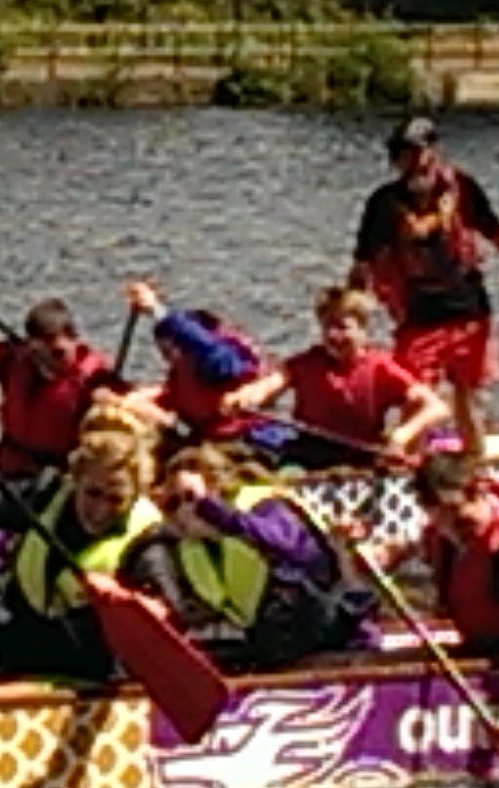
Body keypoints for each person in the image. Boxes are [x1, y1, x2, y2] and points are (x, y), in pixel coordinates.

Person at [349, 117, 499, 455]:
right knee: (416, 397)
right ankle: (409, 465)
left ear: (432, 152)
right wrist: (352, 317)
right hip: (418, 315)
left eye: (417, 152)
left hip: (468, 310)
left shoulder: (462, 189)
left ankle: (474, 462)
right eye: (402, 154)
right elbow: (363, 264)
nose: (411, 162)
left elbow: (497, 235)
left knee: (467, 395)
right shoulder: (384, 203)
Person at [0, 422, 167, 687]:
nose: (101, 510)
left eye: (116, 499)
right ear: (75, 479)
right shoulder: (46, 493)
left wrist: (121, 599)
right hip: (20, 647)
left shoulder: (150, 539)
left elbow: (167, 613)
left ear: (135, 496)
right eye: (92, 493)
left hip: (92, 677)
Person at [370, 451, 499, 745]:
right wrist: (366, 555)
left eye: (457, 513)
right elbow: (392, 556)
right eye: (439, 517)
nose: (451, 527)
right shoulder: (445, 533)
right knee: (371, 660)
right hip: (479, 649)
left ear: (480, 492)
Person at [117, 444, 369, 671]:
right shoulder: (188, 550)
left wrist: (211, 509)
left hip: (338, 636)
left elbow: (297, 551)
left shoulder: (264, 508)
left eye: (186, 499)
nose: (177, 514)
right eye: (169, 505)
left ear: (217, 490)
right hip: (277, 651)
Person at [226, 285, 451, 470]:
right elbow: (269, 385)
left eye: (343, 328)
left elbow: (437, 408)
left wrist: (402, 435)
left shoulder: (380, 368)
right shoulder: (307, 363)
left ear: (362, 330)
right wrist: (244, 397)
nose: (334, 336)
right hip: (307, 453)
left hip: (359, 456)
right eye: (327, 327)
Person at [0, 296, 124, 480]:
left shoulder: (95, 375)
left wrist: (113, 403)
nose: (47, 361)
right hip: (11, 473)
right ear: (31, 347)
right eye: (38, 354)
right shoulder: (15, 357)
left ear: (74, 338)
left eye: (57, 353)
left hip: (62, 478)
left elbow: (131, 406)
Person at [107, 281, 265, 453]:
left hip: (244, 442)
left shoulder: (221, 361)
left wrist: (156, 309)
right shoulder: (179, 376)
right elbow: (180, 403)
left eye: (169, 348)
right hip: (205, 442)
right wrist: (134, 400)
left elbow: (204, 346)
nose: (166, 356)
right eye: (163, 350)